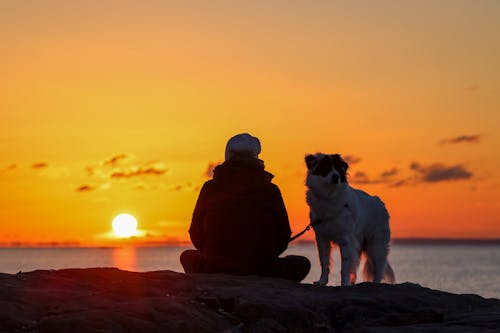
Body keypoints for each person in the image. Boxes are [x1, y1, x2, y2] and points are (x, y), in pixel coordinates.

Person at [180, 133, 310, 282]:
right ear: (255, 156)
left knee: (187, 256)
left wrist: (211, 257)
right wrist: (265, 259)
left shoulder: (209, 188)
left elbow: (195, 231)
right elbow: (283, 233)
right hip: (262, 270)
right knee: (303, 263)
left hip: (214, 267)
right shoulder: (271, 190)